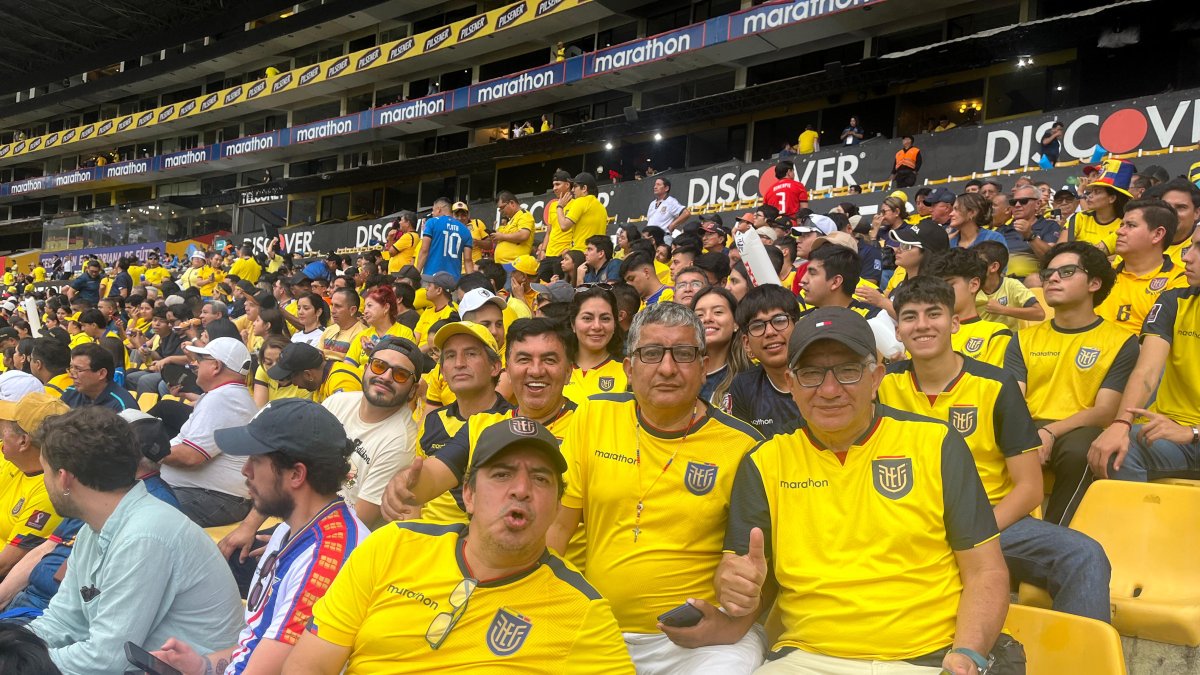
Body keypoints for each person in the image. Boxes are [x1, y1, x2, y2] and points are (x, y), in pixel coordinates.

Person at [718, 307, 1008, 675]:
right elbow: (737, 570)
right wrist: (734, 585)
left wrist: (967, 653)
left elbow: (986, 571)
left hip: (931, 656)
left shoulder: (935, 442)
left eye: (847, 371)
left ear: (876, 377)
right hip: (807, 657)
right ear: (790, 383)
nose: (829, 390)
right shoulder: (764, 462)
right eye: (810, 374)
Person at [287, 417, 633, 673]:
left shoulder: (583, 612)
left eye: (541, 479)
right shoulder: (393, 545)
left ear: (558, 504)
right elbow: (310, 666)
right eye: (501, 474)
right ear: (468, 494)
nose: (521, 489)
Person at [547, 302, 767, 673]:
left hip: (699, 640)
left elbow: (756, 570)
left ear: (702, 368)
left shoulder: (744, 445)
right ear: (629, 368)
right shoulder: (593, 416)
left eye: (683, 354)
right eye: (651, 354)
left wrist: (733, 625)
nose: (667, 368)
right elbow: (556, 528)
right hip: (597, 626)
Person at [881, 277, 1111, 620]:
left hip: (986, 519)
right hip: (905, 518)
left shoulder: (995, 384)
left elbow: (1031, 489)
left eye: (934, 314)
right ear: (897, 330)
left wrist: (972, 531)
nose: (923, 325)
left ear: (954, 323)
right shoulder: (883, 385)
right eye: (910, 317)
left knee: (1083, 554)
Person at [153, 399, 366, 675]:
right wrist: (202, 665)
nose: (245, 471)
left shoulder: (326, 558)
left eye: (255, 459)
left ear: (296, 474)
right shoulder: (288, 529)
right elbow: (259, 640)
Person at [28, 407, 243, 674]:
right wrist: (11, 650)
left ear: (64, 479)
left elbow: (106, 661)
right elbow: (63, 622)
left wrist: (21, 666)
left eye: (45, 471)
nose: (44, 481)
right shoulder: (94, 530)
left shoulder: (144, 536)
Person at [383, 318, 578, 534]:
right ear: (508, 369)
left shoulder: (588, 422)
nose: (535, 370)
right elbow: (437, 472)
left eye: (549, 360)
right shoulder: (484, 424)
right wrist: (404, 483)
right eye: (523, 359)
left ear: (569, 371)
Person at [1005, 242, 1136, 524]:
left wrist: (1050, 432)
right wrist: (1030, 434)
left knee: (1081, 449)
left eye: (1066, 272)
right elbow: (1012, 399)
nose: (1052, 278)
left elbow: (1105, 411)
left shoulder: (1121, 341)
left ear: (1094, 283)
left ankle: (1056, 535)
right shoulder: (1024, 339)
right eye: (1048, 273)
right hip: (1029, 424)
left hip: (1080, 427)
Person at [1088, 222, 1200, 483]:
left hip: (1190, 434)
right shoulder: (1174, 300)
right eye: (1191, 245)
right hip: (1170, 433)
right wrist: (1121, 424)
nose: (1187, 256)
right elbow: (1147, 371)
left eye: (1199, 248)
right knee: (1118, 451)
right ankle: (1140, 524)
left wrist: (1193, 432)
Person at [415, 321, 511, 521]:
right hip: (428, 538)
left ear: (495, 367)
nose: (459, 363)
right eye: (450, 356)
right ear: (442, 370)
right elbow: (415, 499)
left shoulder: (512, 422)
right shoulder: (433, 420)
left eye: (471, 354)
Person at [160, 338, 257, 527]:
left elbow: (190, 456)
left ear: (216, 366)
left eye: (200, 359)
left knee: (127, 506)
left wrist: (145, 450)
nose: (194, 363)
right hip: (210, 496)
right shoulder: (223, 395)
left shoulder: (223, 398)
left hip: (216, 500)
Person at [1096, 199, 1188, 336]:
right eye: (1121, 225)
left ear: (1157, 234)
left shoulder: (1181, 283)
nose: (1119, 231)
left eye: (1131, 225)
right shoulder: (1100, 277)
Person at [0, 393, 67, 578]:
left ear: (23, 441)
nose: (1, 432)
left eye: (4, 427)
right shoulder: (10, 459)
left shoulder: (50, 492)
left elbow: (4, 565)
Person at [728, 285, 803, 439]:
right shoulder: (743, 386)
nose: (770, 332)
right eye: (757, 326)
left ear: (799, 327)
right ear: (747, 344)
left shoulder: (824, 377)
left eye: (780, 320)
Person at [923, 248, 1012, 368]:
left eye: (948, 285)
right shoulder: (924, 331)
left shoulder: (996, 333)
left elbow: (992, 384)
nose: (939, 292)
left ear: (974, 285)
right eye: (936, 286)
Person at [692, 286, 749, 414]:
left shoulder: (750, 379)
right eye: (699, 315)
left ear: (736, 323)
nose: (707, 319)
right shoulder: (681, 374)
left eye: (718, 312)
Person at [564, 287, 626, 403]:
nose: (597, 326)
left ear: (615, 325)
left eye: (605, 318)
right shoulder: (557, 370)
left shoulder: (628, 372)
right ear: (573, 324)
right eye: (587, 318)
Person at [800, 239, 880, 318]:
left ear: (835, 282)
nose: (803, 280)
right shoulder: (800, 322)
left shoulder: (872, 319)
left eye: (812, 273)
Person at [974, 241, 1046, 330]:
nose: (974, 266)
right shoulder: (971, 287)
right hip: (980, 339)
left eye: (979, 262)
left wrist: (1002, 310)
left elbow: (1039, 313)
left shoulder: (1011, 285)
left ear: (994, 267)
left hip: (1010, 339)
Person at [345, 285, 417, 367]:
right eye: (365, 307)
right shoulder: (363, 335)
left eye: (369, 306)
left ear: (386, 308)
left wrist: (374, 353)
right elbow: (348, 365)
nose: (365, 311)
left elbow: (406, 365)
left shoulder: (404, 333)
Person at [1000, 184, 1062, 279]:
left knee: (1035, 279)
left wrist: (1030, 236)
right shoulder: (1002, 230)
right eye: (1013, 202)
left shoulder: (1050, 226)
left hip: (1031, 282)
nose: (1017, 205)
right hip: (1002, 282)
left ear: (1038, 204)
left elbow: (1051, 258)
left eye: (1023, 201)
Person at [1066, 159, 1133, 245]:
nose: (1089, 196)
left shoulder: (1125, 226)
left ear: (1112, 198)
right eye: (1092, 191)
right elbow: (1060, 249)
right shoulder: (1079, 218)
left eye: (1097, 192)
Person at [59, 343, 136, 411]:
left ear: (102, 373)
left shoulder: (123, 406)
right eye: (71, 368)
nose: (72, 376)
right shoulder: (70, 393)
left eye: (78, 369)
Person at [417, 197, 474, 280]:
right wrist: (472, 282)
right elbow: (468, 260)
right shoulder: (465, 230)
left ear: (439, 209)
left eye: (433, 210)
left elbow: (424, 250)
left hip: (432, 276)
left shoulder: (432, 222)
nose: (432, 213)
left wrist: (416, 273)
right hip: (453, 279)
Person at [561, 172, 609, 252]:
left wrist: (560, 207)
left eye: (575, 186)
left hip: (581, 252)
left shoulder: (580, 201)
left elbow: (564, 226)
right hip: (596, 255)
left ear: (584, 188)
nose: (572, 190)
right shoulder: (602, 207)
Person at [319, 288, 366, 361]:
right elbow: (318, 357)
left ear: (352, 310)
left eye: (338, 306)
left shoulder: (362, 333)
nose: (332, 311)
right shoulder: (329, 330)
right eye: (332, 305)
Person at [492, 191, 534, 264]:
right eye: (499, 209)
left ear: (512, 203)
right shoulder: (511, 220)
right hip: (504, 265)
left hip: (515, 265)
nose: (501, 211)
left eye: (502, 208)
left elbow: (524, 235)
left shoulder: (524, 215)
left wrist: (502, 236)